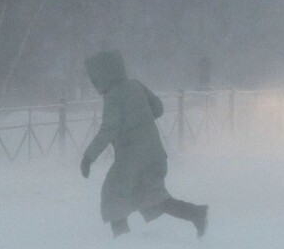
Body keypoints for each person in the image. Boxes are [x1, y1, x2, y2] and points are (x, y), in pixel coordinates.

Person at [80, 50, 208, 238]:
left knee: (113, 193)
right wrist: (141, 119)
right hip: (154, 152)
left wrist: (88, 157)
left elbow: (109, 129)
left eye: (95, 79)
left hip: (132, 156)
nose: (94, 83)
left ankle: (122, 240)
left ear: (103, 75)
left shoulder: (113, 95)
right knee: (152, 196)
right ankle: (195, 213)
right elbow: (158, 108)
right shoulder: (135, 85)